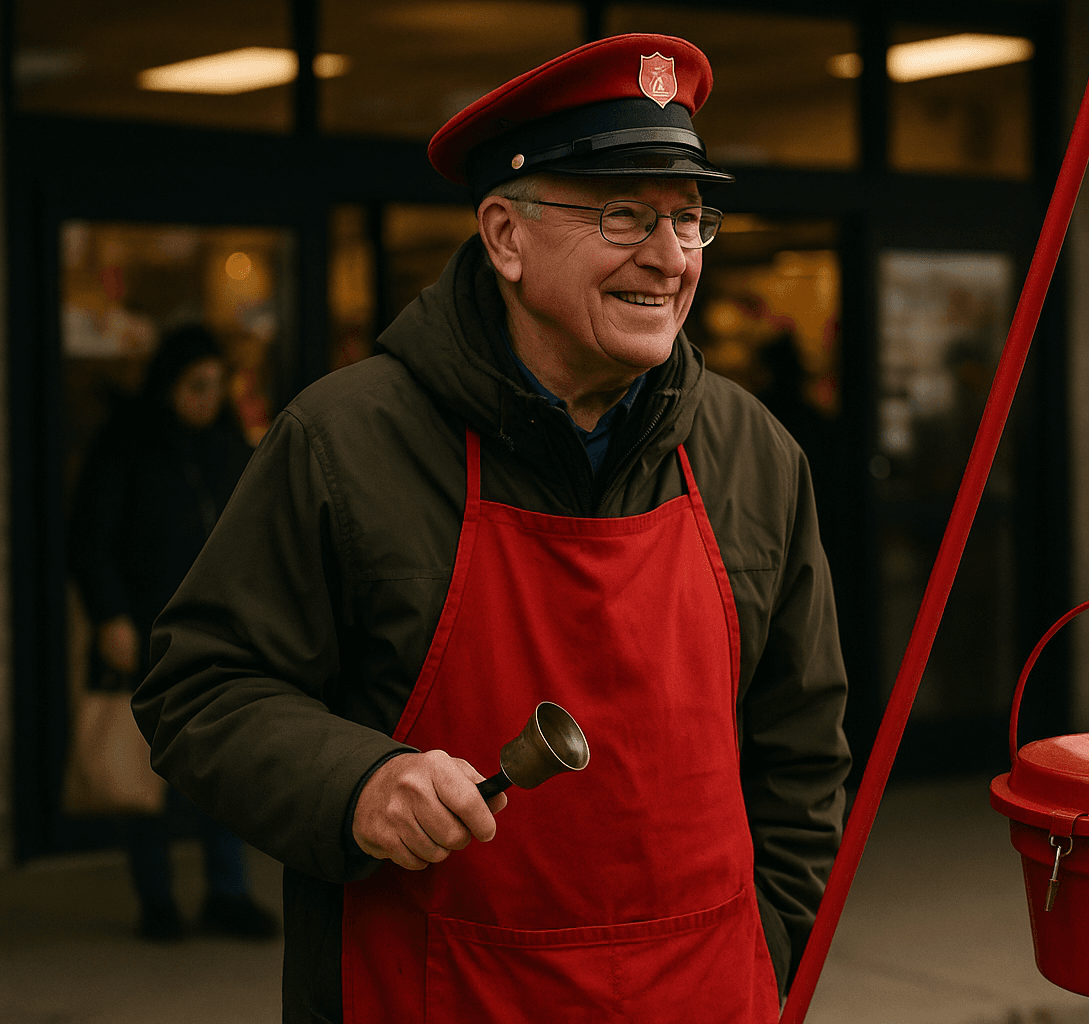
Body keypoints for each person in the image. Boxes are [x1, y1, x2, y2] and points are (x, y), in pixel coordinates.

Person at [134, 34, 850, 1023]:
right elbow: (198, 688)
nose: (670, 257)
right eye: (624, 214)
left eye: (689, 219)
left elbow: (803, 750)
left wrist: (770, 946)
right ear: (505, 236)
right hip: (437, 994)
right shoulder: (345, 442)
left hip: (705, 996)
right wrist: (357, 783)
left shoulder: (755, 455)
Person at [68, 325, 278, 941]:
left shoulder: (228, 446)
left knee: (226, 761)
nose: (206, 398)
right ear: (168, 384)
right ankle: (157, 898)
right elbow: (89, 538)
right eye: (195, 385)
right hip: (144, 628)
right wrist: (110, 615)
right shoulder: (127, 444)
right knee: (145, 764)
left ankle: (227, 893)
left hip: (219, 633)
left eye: (216, 385)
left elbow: (255, 532)